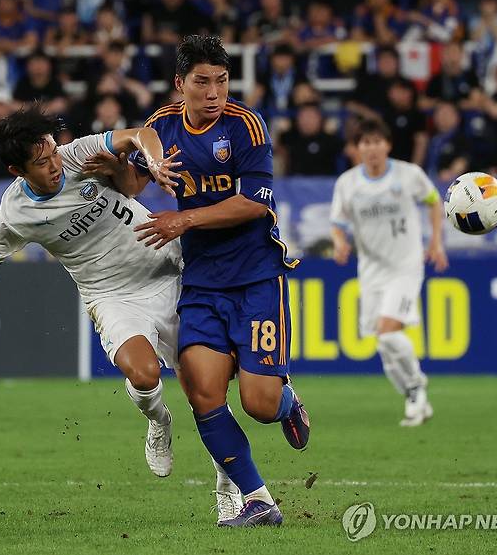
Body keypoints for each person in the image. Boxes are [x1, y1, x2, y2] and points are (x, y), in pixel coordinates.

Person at [0, 106, 239, 521]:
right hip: (110, 294)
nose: (54, 164)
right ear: (18, 169)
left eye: (53, 152)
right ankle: (159, 420)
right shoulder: (15, 214)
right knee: (143, 374)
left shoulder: (74, 157)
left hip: (167, 270)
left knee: (205, 392)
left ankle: (228, 487)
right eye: (41, 162)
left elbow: (135, 135)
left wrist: (155, 161)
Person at [124, 34, 310, 527]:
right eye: (202, 82)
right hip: (201, 282)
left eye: (222, 81)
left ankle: (286, 399)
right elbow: (131, 181)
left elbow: (256, 201)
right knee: (203, 393)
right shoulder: (161, 128)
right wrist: (118, 166)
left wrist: (182, 221)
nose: (214, 92)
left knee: (259, 404)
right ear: (179, 83)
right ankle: (259, 500)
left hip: (255, 278)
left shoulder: (246, 125)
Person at [330, 119, 448, 426]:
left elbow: (435, 202)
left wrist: (436, 241)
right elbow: (337, 223)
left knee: (388, 332)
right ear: (357, 149)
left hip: (406, 266)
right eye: (365, 143)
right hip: (371, 271)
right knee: (383, 344)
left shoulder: (409, 175)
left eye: (376, 141)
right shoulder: (348, 183)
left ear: (388, 145)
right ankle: (413, 392)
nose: (371, 148)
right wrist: (340, 243)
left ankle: (417, 387)